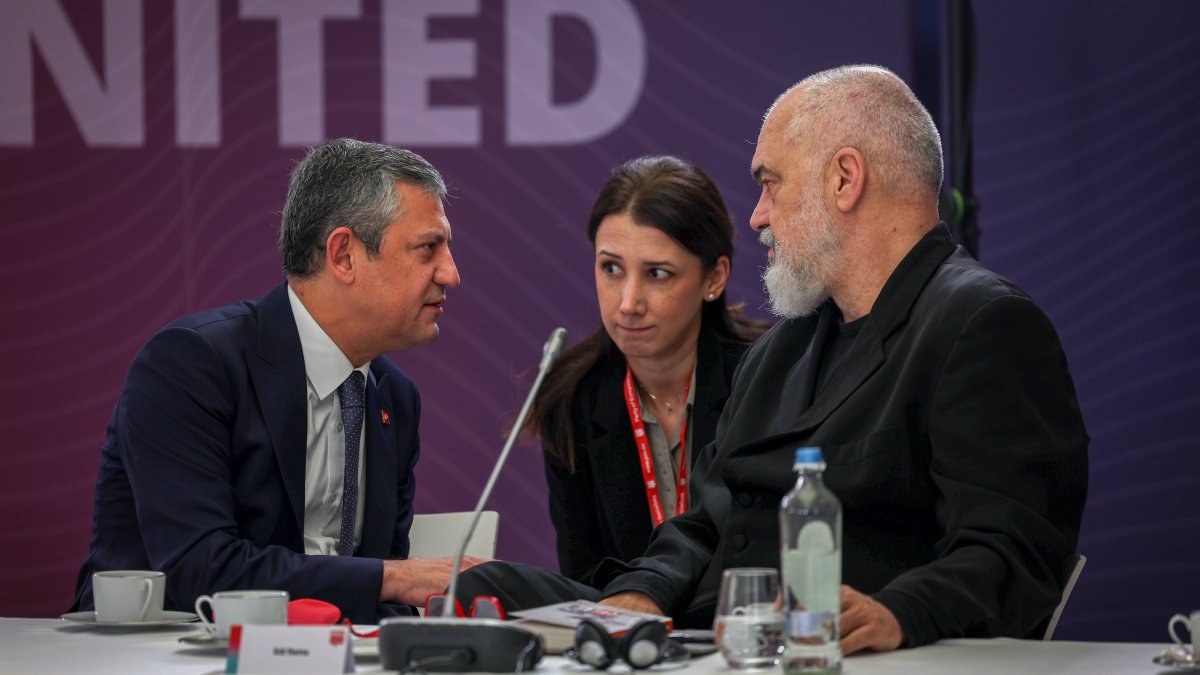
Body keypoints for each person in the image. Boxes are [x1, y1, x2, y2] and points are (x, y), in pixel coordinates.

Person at [455, 65, 1089, 654]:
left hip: (835, 653)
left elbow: (1016, 549)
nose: (757, 215)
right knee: (483, 587)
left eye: (770, 182)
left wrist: (897, 614)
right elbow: (704, 521)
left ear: (845, 179)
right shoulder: (786, 345)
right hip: (714, 642)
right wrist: (637, 595)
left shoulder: (982, 322)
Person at [72, 138, 484, 623]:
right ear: (345, 255)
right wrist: (401, 577)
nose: (451, 273)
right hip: (163, 652)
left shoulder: (393, 396)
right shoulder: (192, 362)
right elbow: (198, 570)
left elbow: (379, 599)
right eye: (428, 248)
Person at [525, 156, 768, 586]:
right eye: (611, 269)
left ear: (714, 277)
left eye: (657, 274)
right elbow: (584, 578)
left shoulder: (768, 375)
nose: (628, 303)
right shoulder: (571, 396)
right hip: (632, 641)